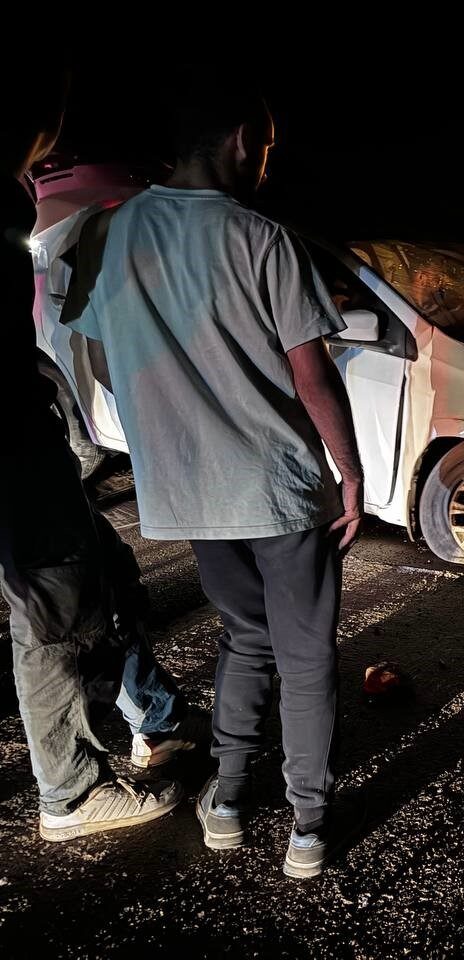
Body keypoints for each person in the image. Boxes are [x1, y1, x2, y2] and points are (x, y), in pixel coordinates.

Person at [63, 80, 364, 878]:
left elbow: (93, 353)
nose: (265, 164)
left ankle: (227, 801)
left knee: (245, 638)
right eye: (264, 148)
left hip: (189, 489)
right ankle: (306, 826)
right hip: (278, 487)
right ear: (238, 139)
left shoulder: (112, 233)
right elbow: (313, 377)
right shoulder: (260, 236)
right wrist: (353, 471)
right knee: (303, 657)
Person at [1, 65, 184, 841]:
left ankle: (153, 717)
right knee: (52, 615)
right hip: (11, 443)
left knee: (100, 572)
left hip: (25, 434)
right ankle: (69, 794)